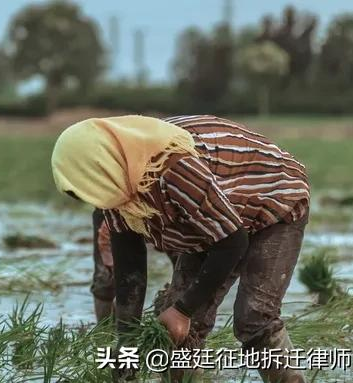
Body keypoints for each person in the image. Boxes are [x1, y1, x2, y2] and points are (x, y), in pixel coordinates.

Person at [52, 115, 309, 382]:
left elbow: (233, 241)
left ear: (102, 166)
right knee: (173, 321)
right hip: (212, 220)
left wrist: (183, 311)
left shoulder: (172, 168)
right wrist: (127, 341)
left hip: (273, 203)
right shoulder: (117, 188)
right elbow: (130, 268)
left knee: (253, 317)